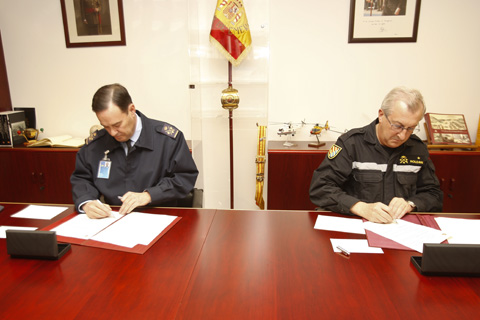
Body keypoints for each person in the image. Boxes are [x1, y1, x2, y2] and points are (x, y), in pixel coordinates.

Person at [309, 86, 443, 223]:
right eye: (397, 126)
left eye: (411, 128)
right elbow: (321, 188)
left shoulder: (417, 148)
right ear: (381, 115)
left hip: (400, 228)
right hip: (357, 226)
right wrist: (360, 207)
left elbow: (434, 195)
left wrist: (411, 204)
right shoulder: (351, 144)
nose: (403, 135)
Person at [71, 83, 198, 219]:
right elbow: (81, 178)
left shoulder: (167, 140)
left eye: (117, 125)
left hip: (159, 216)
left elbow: (184, 177)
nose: (112, 133)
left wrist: (149, 195)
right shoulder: (96, 144)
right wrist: (87, 201)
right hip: (113, 219)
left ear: (131, 110)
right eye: (106, 126)